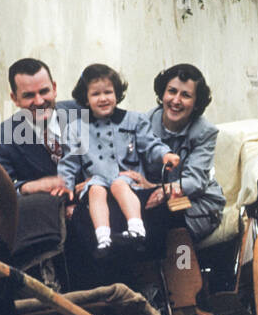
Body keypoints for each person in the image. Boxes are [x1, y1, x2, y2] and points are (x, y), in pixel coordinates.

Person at [58, 64, 178, 250]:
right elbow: (69, 164)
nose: (103, 98)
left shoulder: (134, 120)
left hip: (128, 182)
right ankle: (103, 237)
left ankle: (136, 228)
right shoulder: (75, 129)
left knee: (119, 183)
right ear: (86, 99)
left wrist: (165, 154)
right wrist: (65, 186)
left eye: (108, 92)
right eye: (96, 94)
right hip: (98, 182)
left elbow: (151, 145)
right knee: (95, 189)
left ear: (117, 94)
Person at [135, 63, 227, 243]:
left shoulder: (205, 132)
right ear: (162, 94)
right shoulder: (142, 124)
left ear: (196, 103)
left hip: (197, 203)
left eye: (185, 95)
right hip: (154, 201)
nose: (176, 101)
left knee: (163, 222)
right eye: (172, 91)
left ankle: (180, 268)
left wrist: (161, 190)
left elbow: (195, 182)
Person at [0, 57, 74, 197]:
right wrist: (27, 187)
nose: (39, 101)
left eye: (44, 91)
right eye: (29, 95)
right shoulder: (1, 139)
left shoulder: (83, 113)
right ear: (15, 98)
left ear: (54, 88)